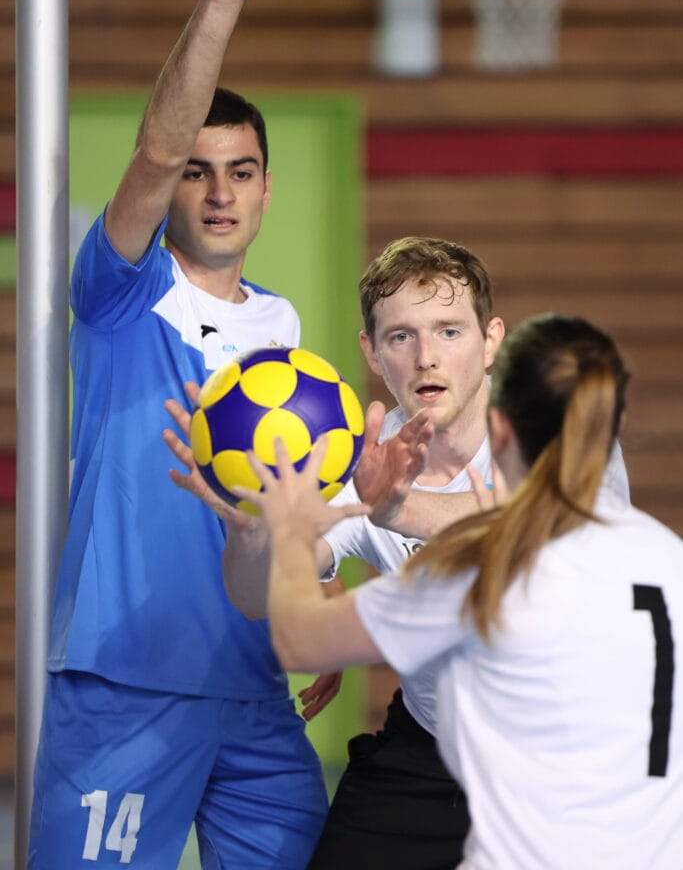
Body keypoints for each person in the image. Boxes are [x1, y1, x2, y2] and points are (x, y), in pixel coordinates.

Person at [28, 0, 341, 869]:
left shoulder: (282, 331)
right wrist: (220, 3)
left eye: (240, 171)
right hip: (123, 683)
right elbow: (155, 152)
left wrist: (316, 606)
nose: (217, 192)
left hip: (255, 690)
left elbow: (284, 502)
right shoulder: (121, 289)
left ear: (265, 189)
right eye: (198, 173)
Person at [166, 236, 631, 870]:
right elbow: (253, 598)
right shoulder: (361, 458)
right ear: (371, 351)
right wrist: (250, 530)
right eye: (401, 337)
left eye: (449, 331)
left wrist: (397, 511)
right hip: (433, 747)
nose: (426, 357)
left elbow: (555, 526)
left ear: (491, 340)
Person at [242, 312, 683, 870]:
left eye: (449, 331)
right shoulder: (668, 556)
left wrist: (283, 521)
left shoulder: (477, 572)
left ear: (501, 433)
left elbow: (299, 640)